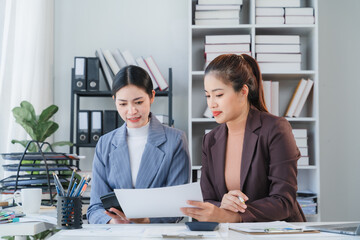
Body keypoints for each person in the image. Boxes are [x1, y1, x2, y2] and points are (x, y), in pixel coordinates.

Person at [181, 54, 305, 222]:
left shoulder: (276, 129)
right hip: (231, 234)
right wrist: (222, 204)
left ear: (243, 92)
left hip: (276, 232)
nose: (211, 104)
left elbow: (284, 202)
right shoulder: (210, 140)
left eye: (218, 95)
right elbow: (208, 199)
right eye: (208, 96)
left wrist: (232, 215)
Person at [87, 65, 190, 224]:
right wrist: (113, 222)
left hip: (156, 234)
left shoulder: (175, 141)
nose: (131, 111)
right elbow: (95, 208)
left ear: (152, 96)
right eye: (122, 104)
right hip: (116, 234)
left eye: (139, 102)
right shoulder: (105, 144)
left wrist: (145, 219)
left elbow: (177, 208)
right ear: (114, 101)